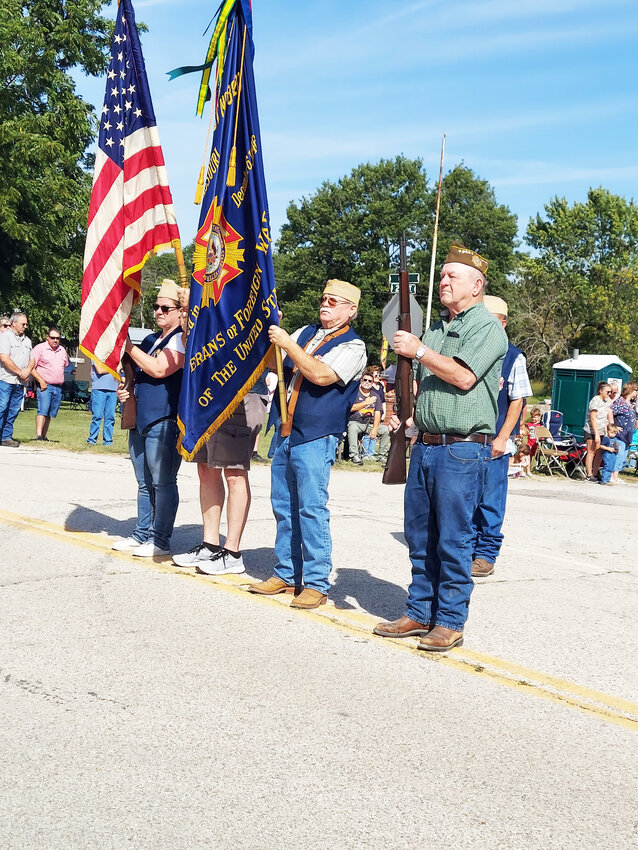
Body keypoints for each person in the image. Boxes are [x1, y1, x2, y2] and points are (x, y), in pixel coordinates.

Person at [373, 243, 507, 652]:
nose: (443, 281)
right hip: (427, 445)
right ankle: (419, 611)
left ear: (477, 285)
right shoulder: (436, 327)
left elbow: (463, 377)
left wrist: (420, 351)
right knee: (420, 535)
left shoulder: (486, 327)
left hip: (462, 449)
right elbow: (427, 380)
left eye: (452, 276)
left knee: (453, 538)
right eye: (443, 275)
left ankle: (449, 620)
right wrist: (410, 415)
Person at [248, 279, 367, 609]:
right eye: (324, 298)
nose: (325, 304)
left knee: (311, 508)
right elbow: (275, 365)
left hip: (317, 434)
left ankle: (315, 581)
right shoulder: (303, 333)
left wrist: (287, 342)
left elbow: (321, 374)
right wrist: (271, 334)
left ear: (351, 310)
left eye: (334, 301)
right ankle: (286, 573)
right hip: (287, 430)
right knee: (283, 506)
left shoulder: (354, 346)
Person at [113, 280, 185, 557]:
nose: (159, 312)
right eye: (156, 307)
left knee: (163, 482)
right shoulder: (152, 339)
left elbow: (158, 368)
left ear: (181, 311)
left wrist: (128, 347)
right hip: (141, 417)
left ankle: (160, 539)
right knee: (144, 482)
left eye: (166, 307)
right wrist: (126, 387)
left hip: (164, 420)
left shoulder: (181, 338)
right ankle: (142, 533)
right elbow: (138, 372)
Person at [171, 389, 266, 575]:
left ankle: (232, 553)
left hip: (241, 391)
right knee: (205, 468)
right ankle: (210, 545)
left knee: (234, 472)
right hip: (207, 393)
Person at [471, 295, 532, 578]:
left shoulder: (513, 356)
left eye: (490, 319)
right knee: (466, 499)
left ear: (503, 323)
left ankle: (486, 554)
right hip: (468, 440)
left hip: (496, 440)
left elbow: (517, 401)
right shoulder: (471, 349)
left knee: (490, 500)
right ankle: (467, 549)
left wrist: (503, 437)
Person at [0, 312, 41, 447]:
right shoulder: (5, 337)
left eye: (26, 324)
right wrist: (20, 372)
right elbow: (4, 358)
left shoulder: (27, 340)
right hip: (6, 380)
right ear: (14, 323)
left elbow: (32, 359)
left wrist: (28, 370)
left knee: (13, 409)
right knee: (2, 407)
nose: (25, 326)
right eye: (23, 324)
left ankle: (6, 437)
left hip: (19, 382)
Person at [31, 326, 69, 441]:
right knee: (42, 410)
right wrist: (41, 381)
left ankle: (44, 435)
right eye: (52, 338)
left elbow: (66, 366)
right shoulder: (39, 348)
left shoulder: (62, 350)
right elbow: (31, 367)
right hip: (45, 385)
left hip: (58, 387)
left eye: (57, 338)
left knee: (50, 412)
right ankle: (38, 435)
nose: (55, 340)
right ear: (47, 337)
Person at [347, 371, 383, 465]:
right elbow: (350, 408)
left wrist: (375, 428)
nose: (367, 382)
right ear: (361, 381)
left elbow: (378, 413)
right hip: (356, 422)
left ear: (372, 383)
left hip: (370, 423)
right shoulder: (354, 393)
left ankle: (381, 456)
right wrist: (366, 403)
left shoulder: (376, 396)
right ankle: (354, 455)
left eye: (370, 381)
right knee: (352, 427)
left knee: (386, 430)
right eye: (365, 380)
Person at [583, 381, 613, 480]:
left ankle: (595, 472)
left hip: (601, 430)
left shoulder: (606, 402)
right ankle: (589, 474)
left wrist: (606, 431)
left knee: (599, 452)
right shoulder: (596, 400)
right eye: (607, 392)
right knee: (591, 452)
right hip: (591, 430)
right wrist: (596, 434)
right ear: (600, 391)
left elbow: (605, 417)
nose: (609, 394)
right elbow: (593, 418)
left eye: (610, 392)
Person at [609, 382, 637, 484]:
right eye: (635, 390)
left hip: (628, 432)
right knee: (618, 453)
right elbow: (610, 411)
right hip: (620, 432)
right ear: (630, 390)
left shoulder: (631, 403)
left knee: (623, 454)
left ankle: (616, 474)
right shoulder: (620, 402)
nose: (636, 393)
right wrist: (613, 425)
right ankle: (612, 475)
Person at [87, 362, 120, 446]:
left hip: (113, 389)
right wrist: (114, 368)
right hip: (99, 388)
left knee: (110, 417)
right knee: (97, 416)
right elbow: (100, 370)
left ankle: (108, 441)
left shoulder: (115, 355)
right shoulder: (96, 355)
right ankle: (92, 440)